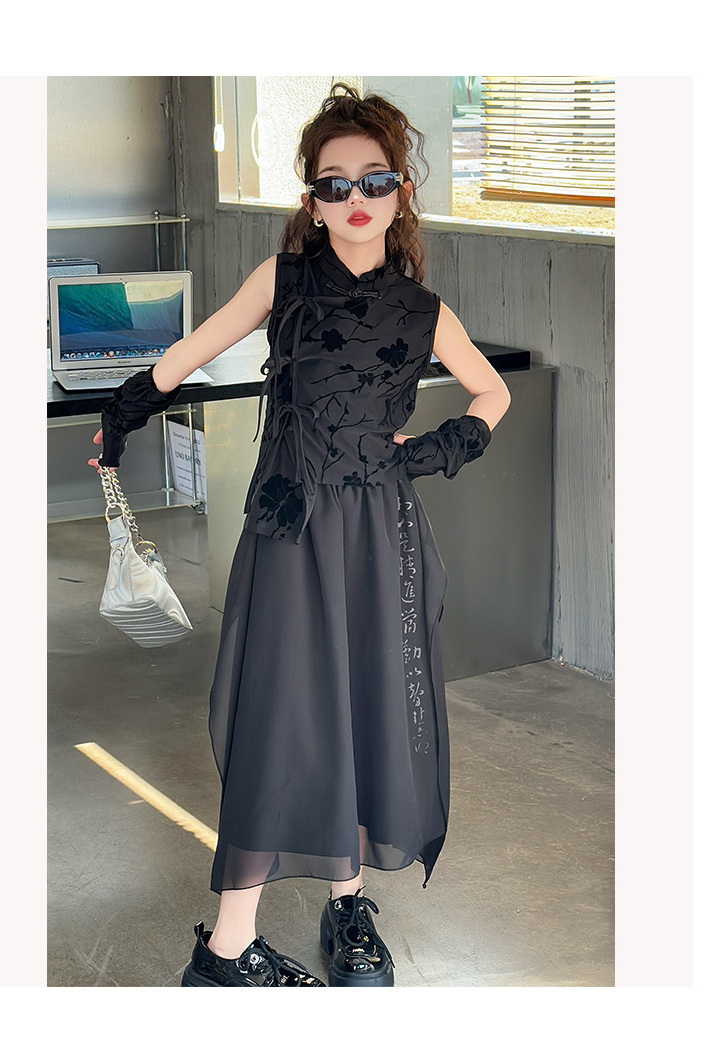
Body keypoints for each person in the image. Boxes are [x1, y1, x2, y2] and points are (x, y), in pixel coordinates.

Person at [89, 83, 511, 988]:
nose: (355, 198)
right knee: (281, 714)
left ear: (400, 192)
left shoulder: (423, 310)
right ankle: (227, 947)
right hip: (290, 529)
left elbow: (493, 393)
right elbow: (190, 352)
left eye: (375, 180)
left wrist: (428, 453)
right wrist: (121, 414)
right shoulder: (281, 281)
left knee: (363, 706)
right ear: (312, 200)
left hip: (380, 534)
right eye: (334, 184)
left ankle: (345, 897)